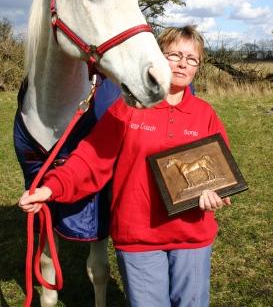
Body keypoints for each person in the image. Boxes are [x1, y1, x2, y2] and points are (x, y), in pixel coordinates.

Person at [19, 25, 231, 307]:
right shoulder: (127, 108)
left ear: (198, 66)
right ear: (157, 57)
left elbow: (220, 171)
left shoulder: (205, 115)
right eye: (174, 55)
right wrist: (50, 189)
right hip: (139, 238)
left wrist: (218, 194)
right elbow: (91, 160)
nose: (182, 63)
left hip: (192, 237)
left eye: (191, 59)